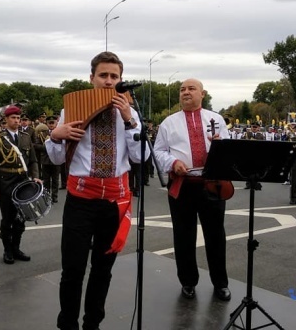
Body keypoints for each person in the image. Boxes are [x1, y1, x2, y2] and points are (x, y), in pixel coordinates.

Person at [45, 51, 146, 330]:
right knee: (73, 270)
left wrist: (129, 120)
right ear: (92, 78)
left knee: (103, 270)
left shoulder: (131, 113)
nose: (109, 81)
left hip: (113, 202)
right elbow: (55, 159)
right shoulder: (71, 110)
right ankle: (67, 324)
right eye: (103, 75)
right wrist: (55, 136)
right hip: (80, 200)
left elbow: (141, 157)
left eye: (114, 76)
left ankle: (93, 324)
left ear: (121, 80)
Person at [154, 78, 231, 302]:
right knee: (183, 235)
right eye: (182, 89)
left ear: (202, 93)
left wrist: (219, 146)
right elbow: (158, 151)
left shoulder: (216, 119)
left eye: (191, 89)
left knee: (216, 235)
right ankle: (188, 281)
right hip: (183, 184)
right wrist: (173, 162)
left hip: (212, 185)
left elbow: (228, 149)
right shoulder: (169, 122)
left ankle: (220, 283)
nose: (186, 92)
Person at [0, 106, 39, 264]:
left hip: (22, 182)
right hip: (6, 182)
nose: (16, 121)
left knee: (20, 218)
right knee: (7, 219)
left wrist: (35, 177)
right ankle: (7, 250)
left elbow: (33, 160)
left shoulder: (25, 137)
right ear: (6, 120)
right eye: (13, 118)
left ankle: (16, 248)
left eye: (18, 118)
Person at [34, 116, 60, 203]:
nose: (51, 125)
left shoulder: (59, 132)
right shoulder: (42, 134)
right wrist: (47, 148)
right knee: (46, 180)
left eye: (53, 123)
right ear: (47, 124)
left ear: (56, 123)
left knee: (55, 180)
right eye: (50, 123)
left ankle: (55, 196)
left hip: (56, 160)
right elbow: (36, 145)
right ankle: (47, 196)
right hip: (46, 160)